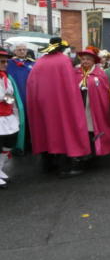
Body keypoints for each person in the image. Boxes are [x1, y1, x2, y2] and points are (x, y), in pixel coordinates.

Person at [27, 38, 91, 177]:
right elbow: (70, 85)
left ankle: (48, 164)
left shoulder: (40, 62)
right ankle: (65, 168)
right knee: (63, 131)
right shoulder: (63, 60)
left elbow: (32, 84)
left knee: (46, 130)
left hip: (42, 104)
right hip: (60, 104)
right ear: (61, 49)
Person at [75, 48, 110, 159]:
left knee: (92, 129)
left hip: (93, 107)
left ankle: (93, 151)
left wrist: (91, 88)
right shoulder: (76, 72)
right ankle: (82, 151)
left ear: (93, 61)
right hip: (79, 106)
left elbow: (104, 91)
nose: (85, 61)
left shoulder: (100, 74)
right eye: (83, 59)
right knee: (80, 129)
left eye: (88, 59)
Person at [0, 48, 24, 188]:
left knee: (9, 143)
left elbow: (9, 97)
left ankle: (0, 168)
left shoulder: (5, 77)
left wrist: (7, 99)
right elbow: (3, 97)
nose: (5, 64)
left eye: (6, 62)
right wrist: (7, 98)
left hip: (8, 116)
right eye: (2, 62)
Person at [7, 43, 34, 153]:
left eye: (24, 49)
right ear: (15, 52)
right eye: (19, 49)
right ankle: (17, 147)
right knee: (17, 122)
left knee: (30, 121)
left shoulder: (32, 63)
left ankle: (30, 145)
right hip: (15, 98)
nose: (22, 51)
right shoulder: (9, 63)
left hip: (30, 97)